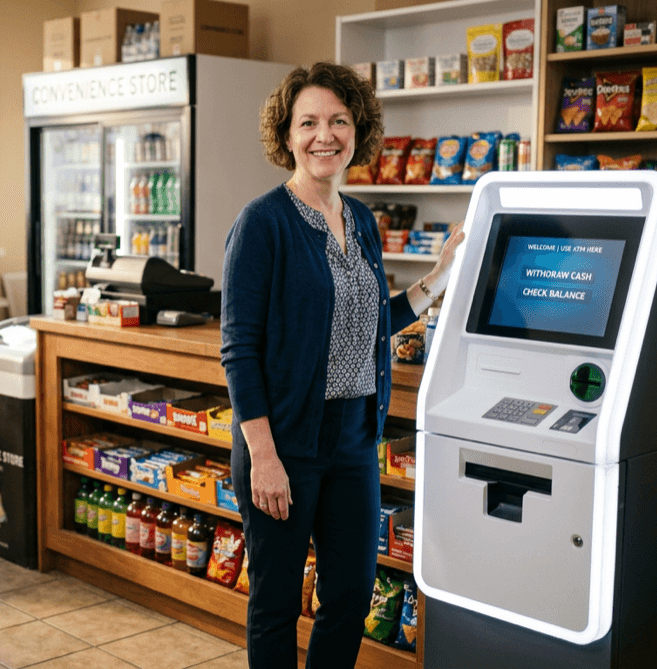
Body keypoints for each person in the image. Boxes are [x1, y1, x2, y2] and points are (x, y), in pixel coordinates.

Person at [220, 62, 465, 668]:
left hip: (354, 438)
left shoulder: (360, 220)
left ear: (359, 132)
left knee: (351, 594)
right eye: (308, 122)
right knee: (275, 602)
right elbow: (239, 348)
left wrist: (438, 278)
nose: (323, 135)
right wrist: (265, 456)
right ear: (287, 135)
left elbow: (365, 323)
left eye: (338, 120)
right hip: (284, 441)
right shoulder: (263, 222)